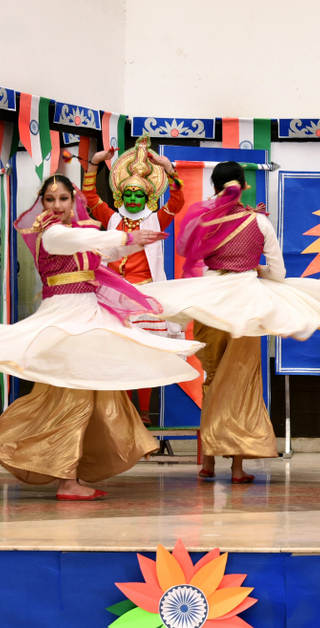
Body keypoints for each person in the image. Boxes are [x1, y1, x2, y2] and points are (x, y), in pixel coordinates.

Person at [0, 174, 202, 500]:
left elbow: (104, 255)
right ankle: (65, 480)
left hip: (87, 317)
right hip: (65, 321)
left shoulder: (82, 234)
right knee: (75, 400)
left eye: (62, 198)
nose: (56, 205)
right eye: (50, 199)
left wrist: (136, 243)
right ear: (42, 203)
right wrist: (127, 235)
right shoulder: (52, 233)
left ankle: (59, 468)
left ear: (73, 201)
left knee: (80, 398)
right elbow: (86, 242)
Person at [139, 162, 320, 483]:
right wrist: (256, 268)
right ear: (244, 185)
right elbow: (278, 274)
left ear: (214, 186)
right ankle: (236, 468)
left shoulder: (202, 219)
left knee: (212, 378)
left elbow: (192, 255)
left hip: (209, 301)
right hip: (246, 301)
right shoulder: (258, 220)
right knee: (240, 381)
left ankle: (207, 463)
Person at [83, 137, 185, 423]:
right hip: (113, 297)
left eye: (138, 195)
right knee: (119, 356)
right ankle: (122, 413)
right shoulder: (112, 218)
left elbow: (178, 201)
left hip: (143, 297)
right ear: (121, 196)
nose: (132, 199)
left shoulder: (156, 219)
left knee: (144, 355)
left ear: (148, 197)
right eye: (128, 194)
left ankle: (143, 412)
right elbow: (90, 197)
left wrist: (170, 169)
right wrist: (94, 164)